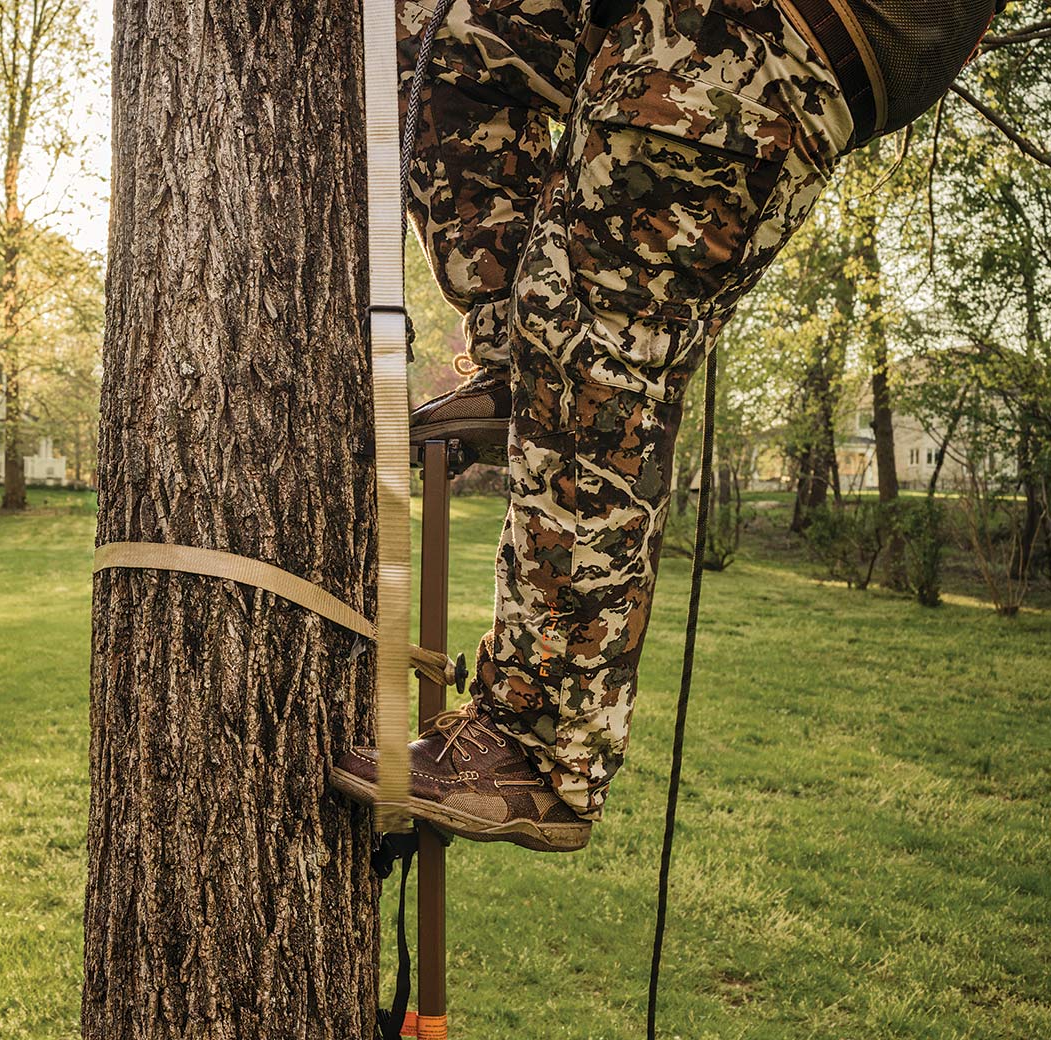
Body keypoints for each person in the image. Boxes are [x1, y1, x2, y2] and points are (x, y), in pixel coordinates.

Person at [330, 0, 1006, 852]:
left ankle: (541, 753)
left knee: (599, 365)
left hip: (767, 31)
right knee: (427, 41)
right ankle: (523, 359)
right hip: (686, 23)